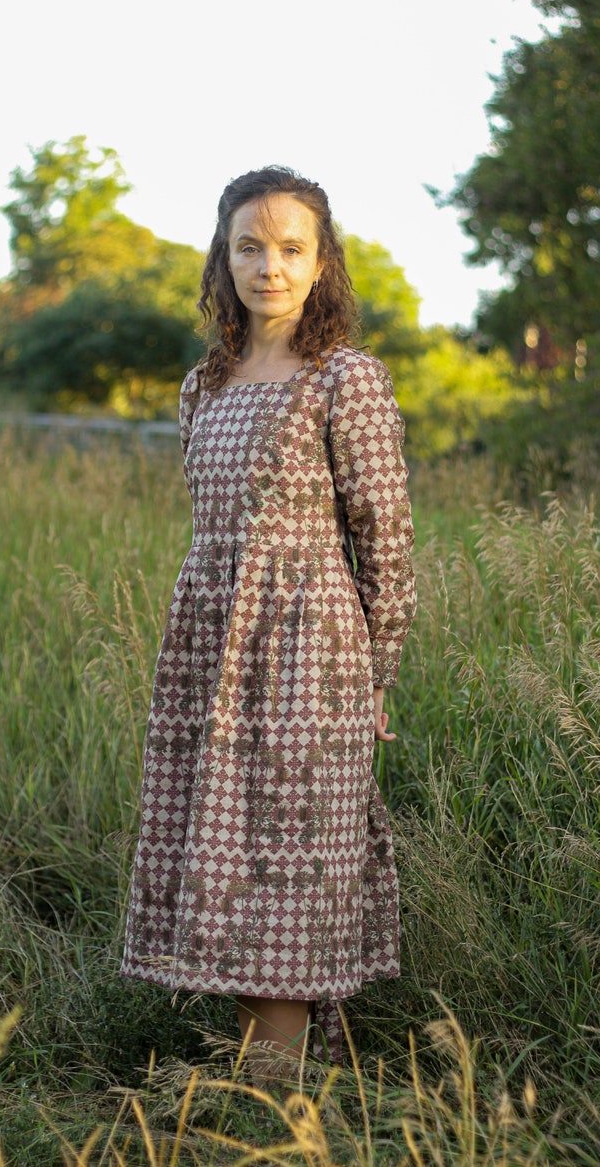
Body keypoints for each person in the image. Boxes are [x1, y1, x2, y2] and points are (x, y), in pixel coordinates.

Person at [121, 166, 416, 1073]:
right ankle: (271, 1075)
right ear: (224, 257)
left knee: (288, 857)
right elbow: (215, 531)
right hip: (212, 645)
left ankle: (276, 1088)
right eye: (250, 246)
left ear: (322, 263)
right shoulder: (201, 386)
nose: (270, 266)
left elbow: (387, 540)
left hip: (308, 653)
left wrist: (373, 675)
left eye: (292, 248)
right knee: (223, 846)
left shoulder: (345, 380)